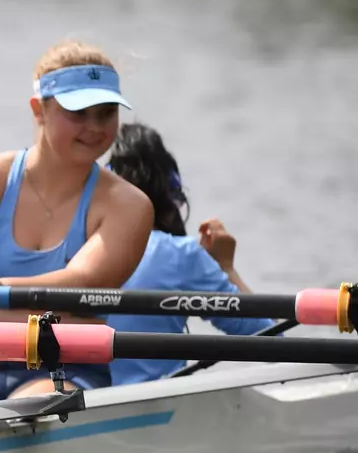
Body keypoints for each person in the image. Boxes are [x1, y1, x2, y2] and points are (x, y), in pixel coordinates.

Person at [0, 40, 153, 403]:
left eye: (106, 113)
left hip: (67, 364)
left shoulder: (128, 205)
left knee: (35, 405)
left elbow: (83, 282)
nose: (95, 127)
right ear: (38, 109)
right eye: (78, 113)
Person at [102, 123, 274, 384]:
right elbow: (268, 339)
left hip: (83, 402)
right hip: (155, 407)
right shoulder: (182, 255)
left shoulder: (75, 246)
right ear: (171, 194)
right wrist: (226, 268)